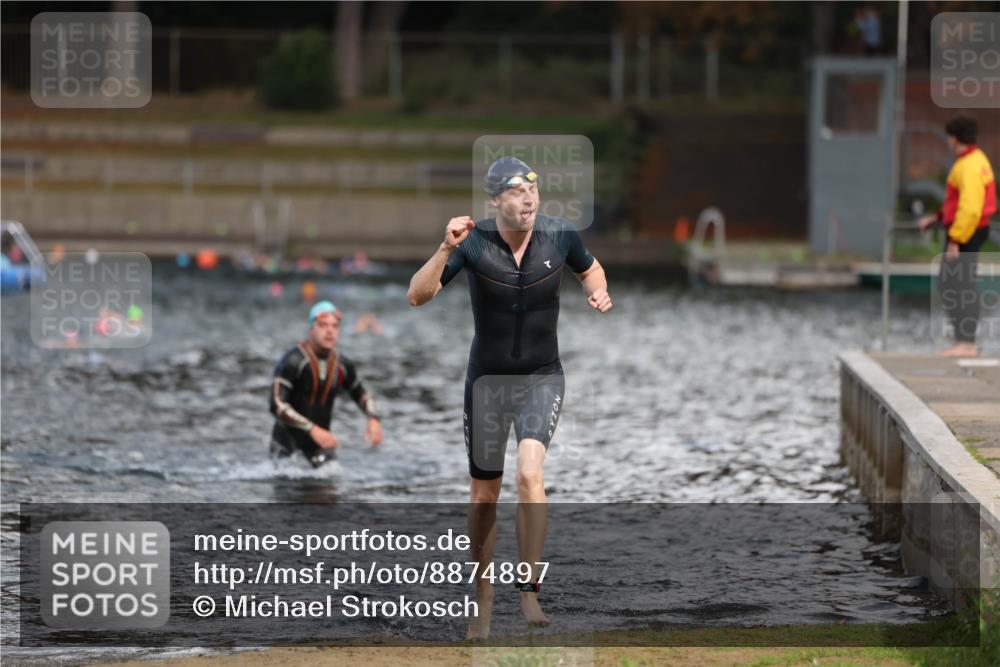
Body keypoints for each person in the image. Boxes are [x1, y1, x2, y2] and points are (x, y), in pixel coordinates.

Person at [407, 156, 613, 639]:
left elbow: (593, 269)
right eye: (519, 192)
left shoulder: (560, 235)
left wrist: (598, 291)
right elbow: (417, 296)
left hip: (542, 375)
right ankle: (482, 595)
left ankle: (528, 592)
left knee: (529, 473)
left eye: (534, 191)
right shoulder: (473, 241)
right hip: (487, 383)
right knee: (484, 496)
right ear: (496, 200)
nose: (529, 199)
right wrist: (443, 248)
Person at [269, 300, 383, 467]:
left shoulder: (342, 365)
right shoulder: (293, 361)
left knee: (330, 489)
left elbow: (360, 393)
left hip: (320, 446)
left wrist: (373, 418)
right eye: (323, 325)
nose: (329, 331)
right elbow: (277, 404)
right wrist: (312, 429)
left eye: (335, 326)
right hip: (287, 447)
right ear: (311, 329)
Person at [918, 116, 996, 358]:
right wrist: (937, 217)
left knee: (958, 285)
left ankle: (966, 343)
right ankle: (965, 341)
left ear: (953, 138)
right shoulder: (974, 160)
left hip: (967, 233)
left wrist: (955, 240)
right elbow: (957, 204)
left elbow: (970, 208)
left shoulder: (970, 166)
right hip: (969, 230)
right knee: (955, 283)